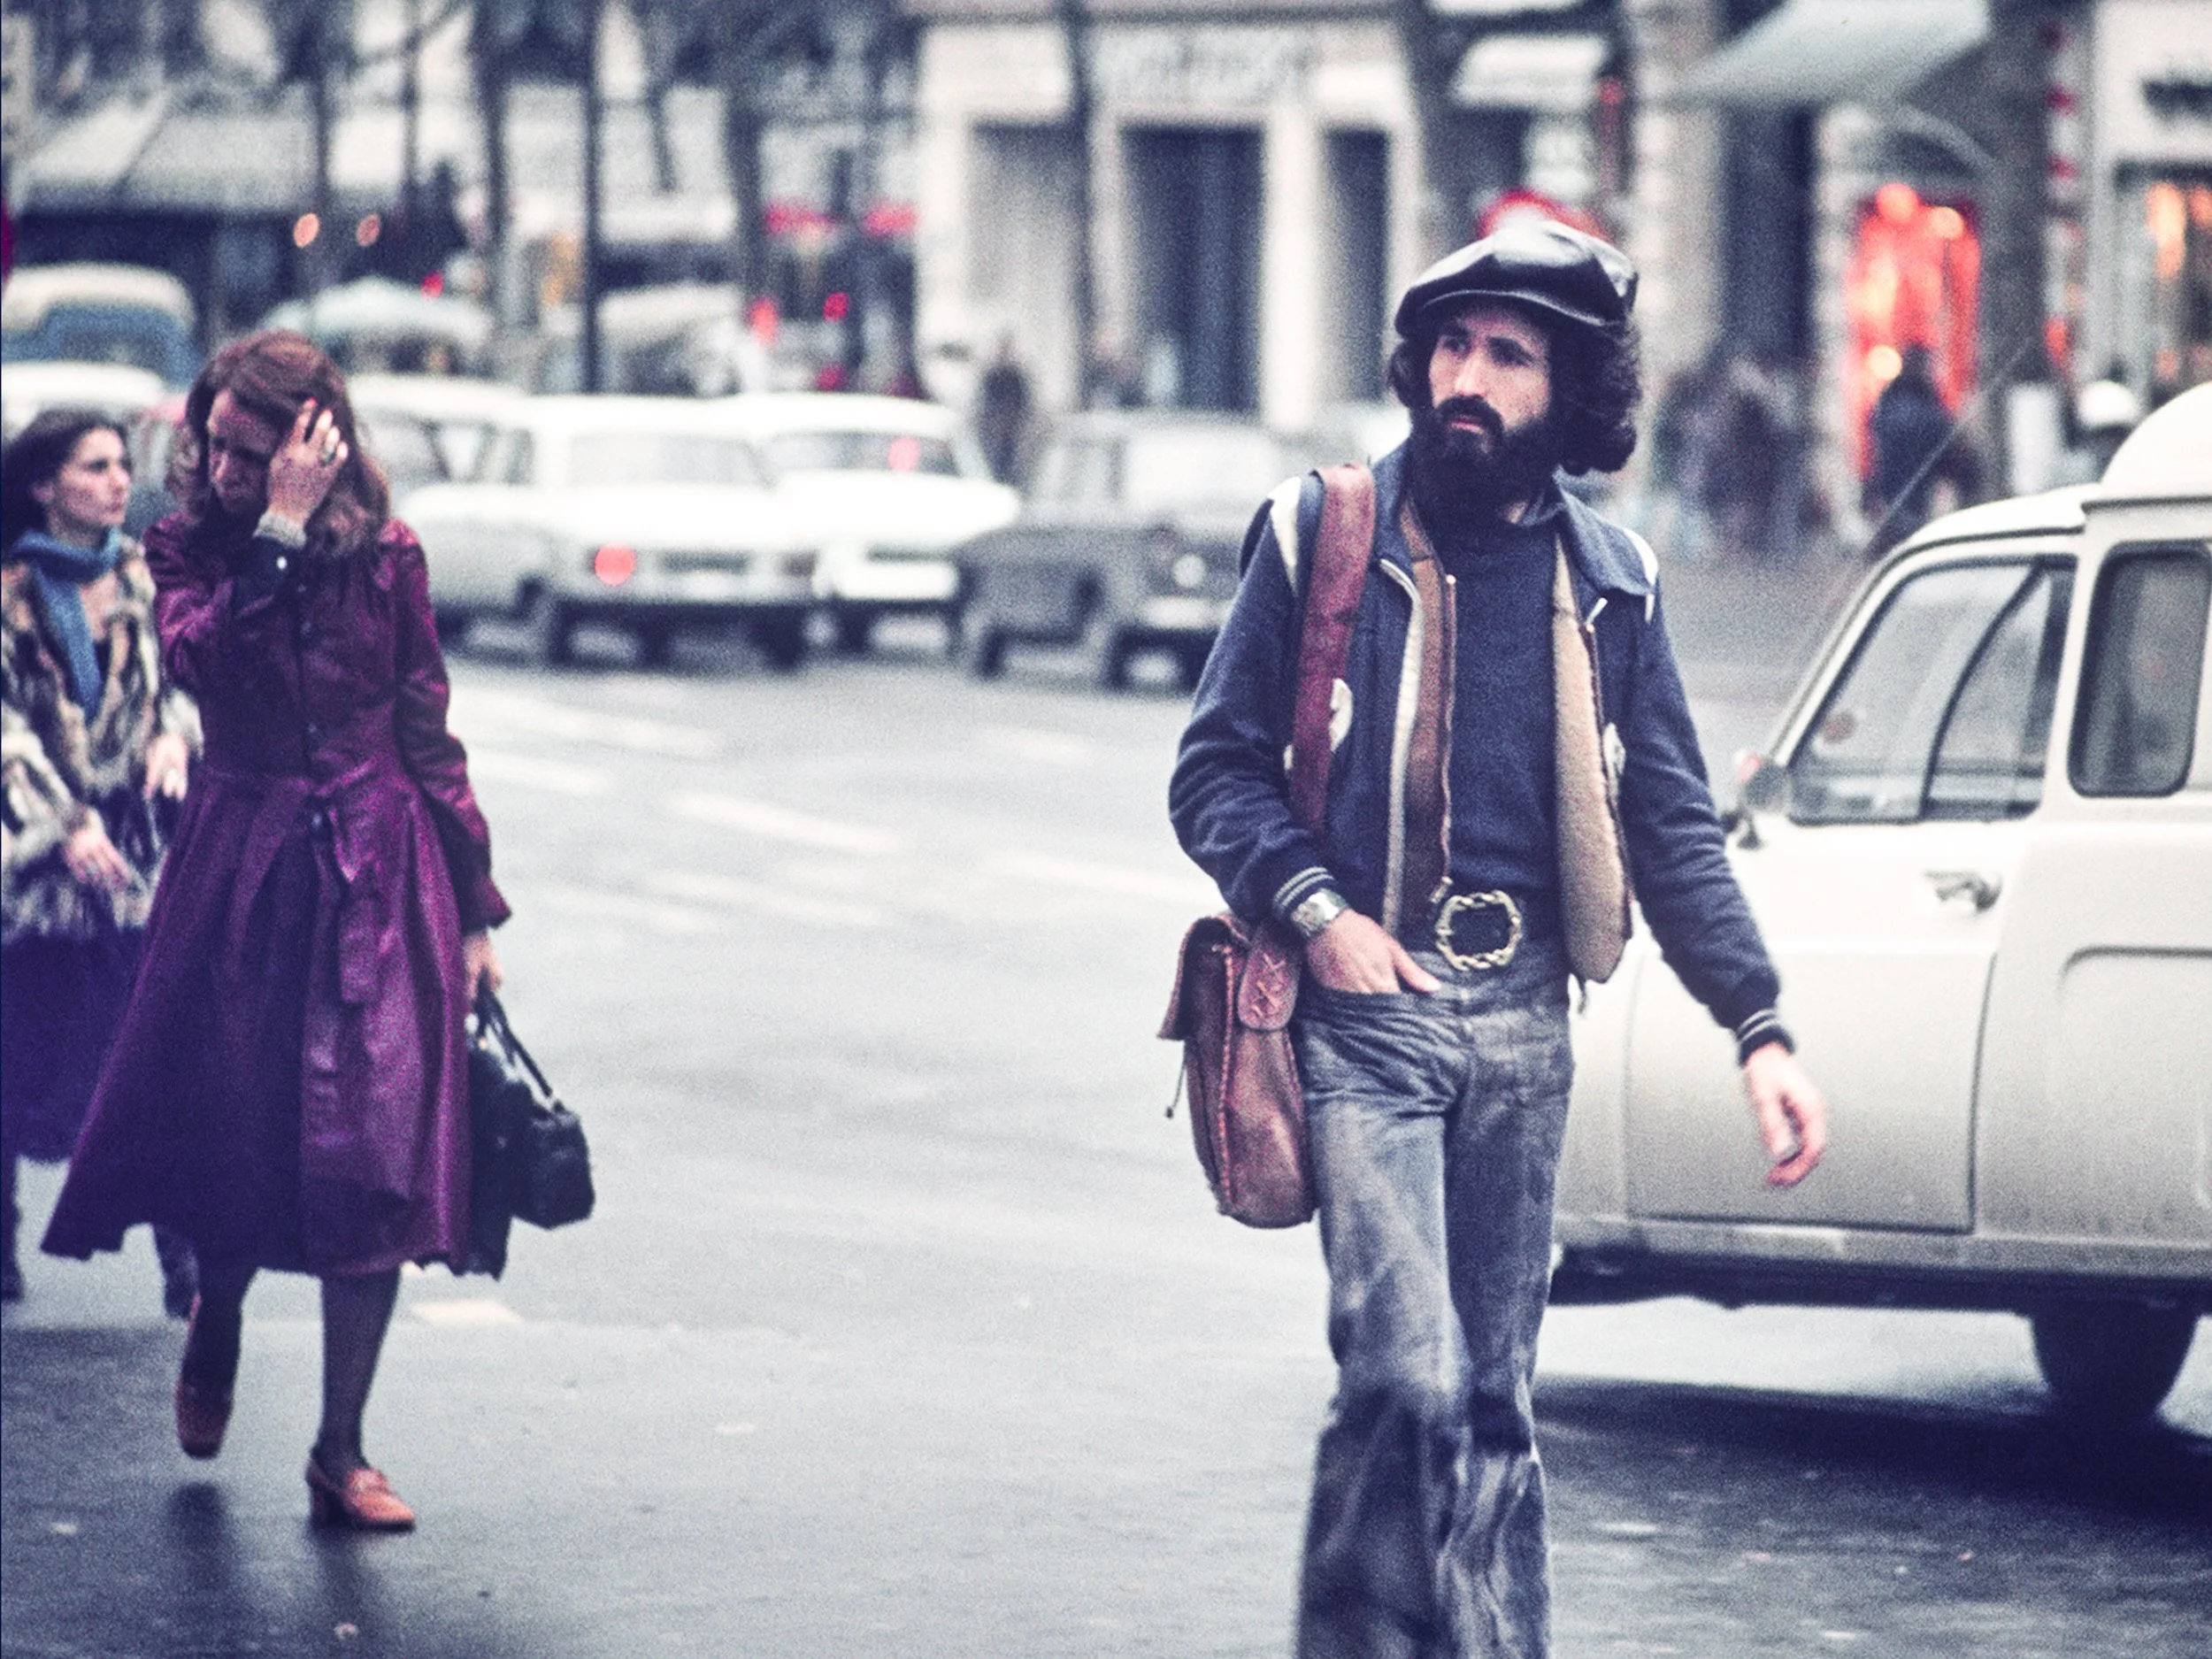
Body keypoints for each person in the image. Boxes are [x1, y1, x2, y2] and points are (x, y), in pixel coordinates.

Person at [1170, 221, 1828, 1658]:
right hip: (1368, 1019)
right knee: (1402, 1377)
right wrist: (1318, 914)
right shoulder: (1321, 533)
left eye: (1510, 356)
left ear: (1573, 391)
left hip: (1528, 1026)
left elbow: (1672, 829)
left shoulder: (1612, 581)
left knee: (1492, 1409)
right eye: (1453, 347)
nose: (1469, 378)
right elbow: (1211, 772)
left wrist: (1759, 1026)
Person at [41, 331, 510, 1533]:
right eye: (216, 445)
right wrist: (276, 532)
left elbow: (426, 729)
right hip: (242, 860)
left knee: (377, 1156)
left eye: (256, 449)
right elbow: (200, 658)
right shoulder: (187, 545)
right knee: (238, 1136)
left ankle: (339, 1446)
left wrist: (473, 908)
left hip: (377, 867)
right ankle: (222, 1310)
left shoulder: (393, 557)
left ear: (319, 438)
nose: (228, 465)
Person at [3, 410, 199, 1313]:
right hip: (33, 871)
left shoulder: (141, 582)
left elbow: (181, 685)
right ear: (46, 485)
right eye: (95, 466)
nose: (119, 480)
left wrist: (171, 738)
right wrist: (63, 824)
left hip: (133, 863)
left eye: (124, 464)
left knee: (152, 1060)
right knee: (22, 1056)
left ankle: (184, 1257)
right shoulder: (9, 595)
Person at [1864, 343, 1959, 556]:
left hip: (1894, 501)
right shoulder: (1929, 413)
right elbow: (1949, 458)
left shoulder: (1887, 406)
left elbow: (1878, 458)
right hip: (1919, 501)